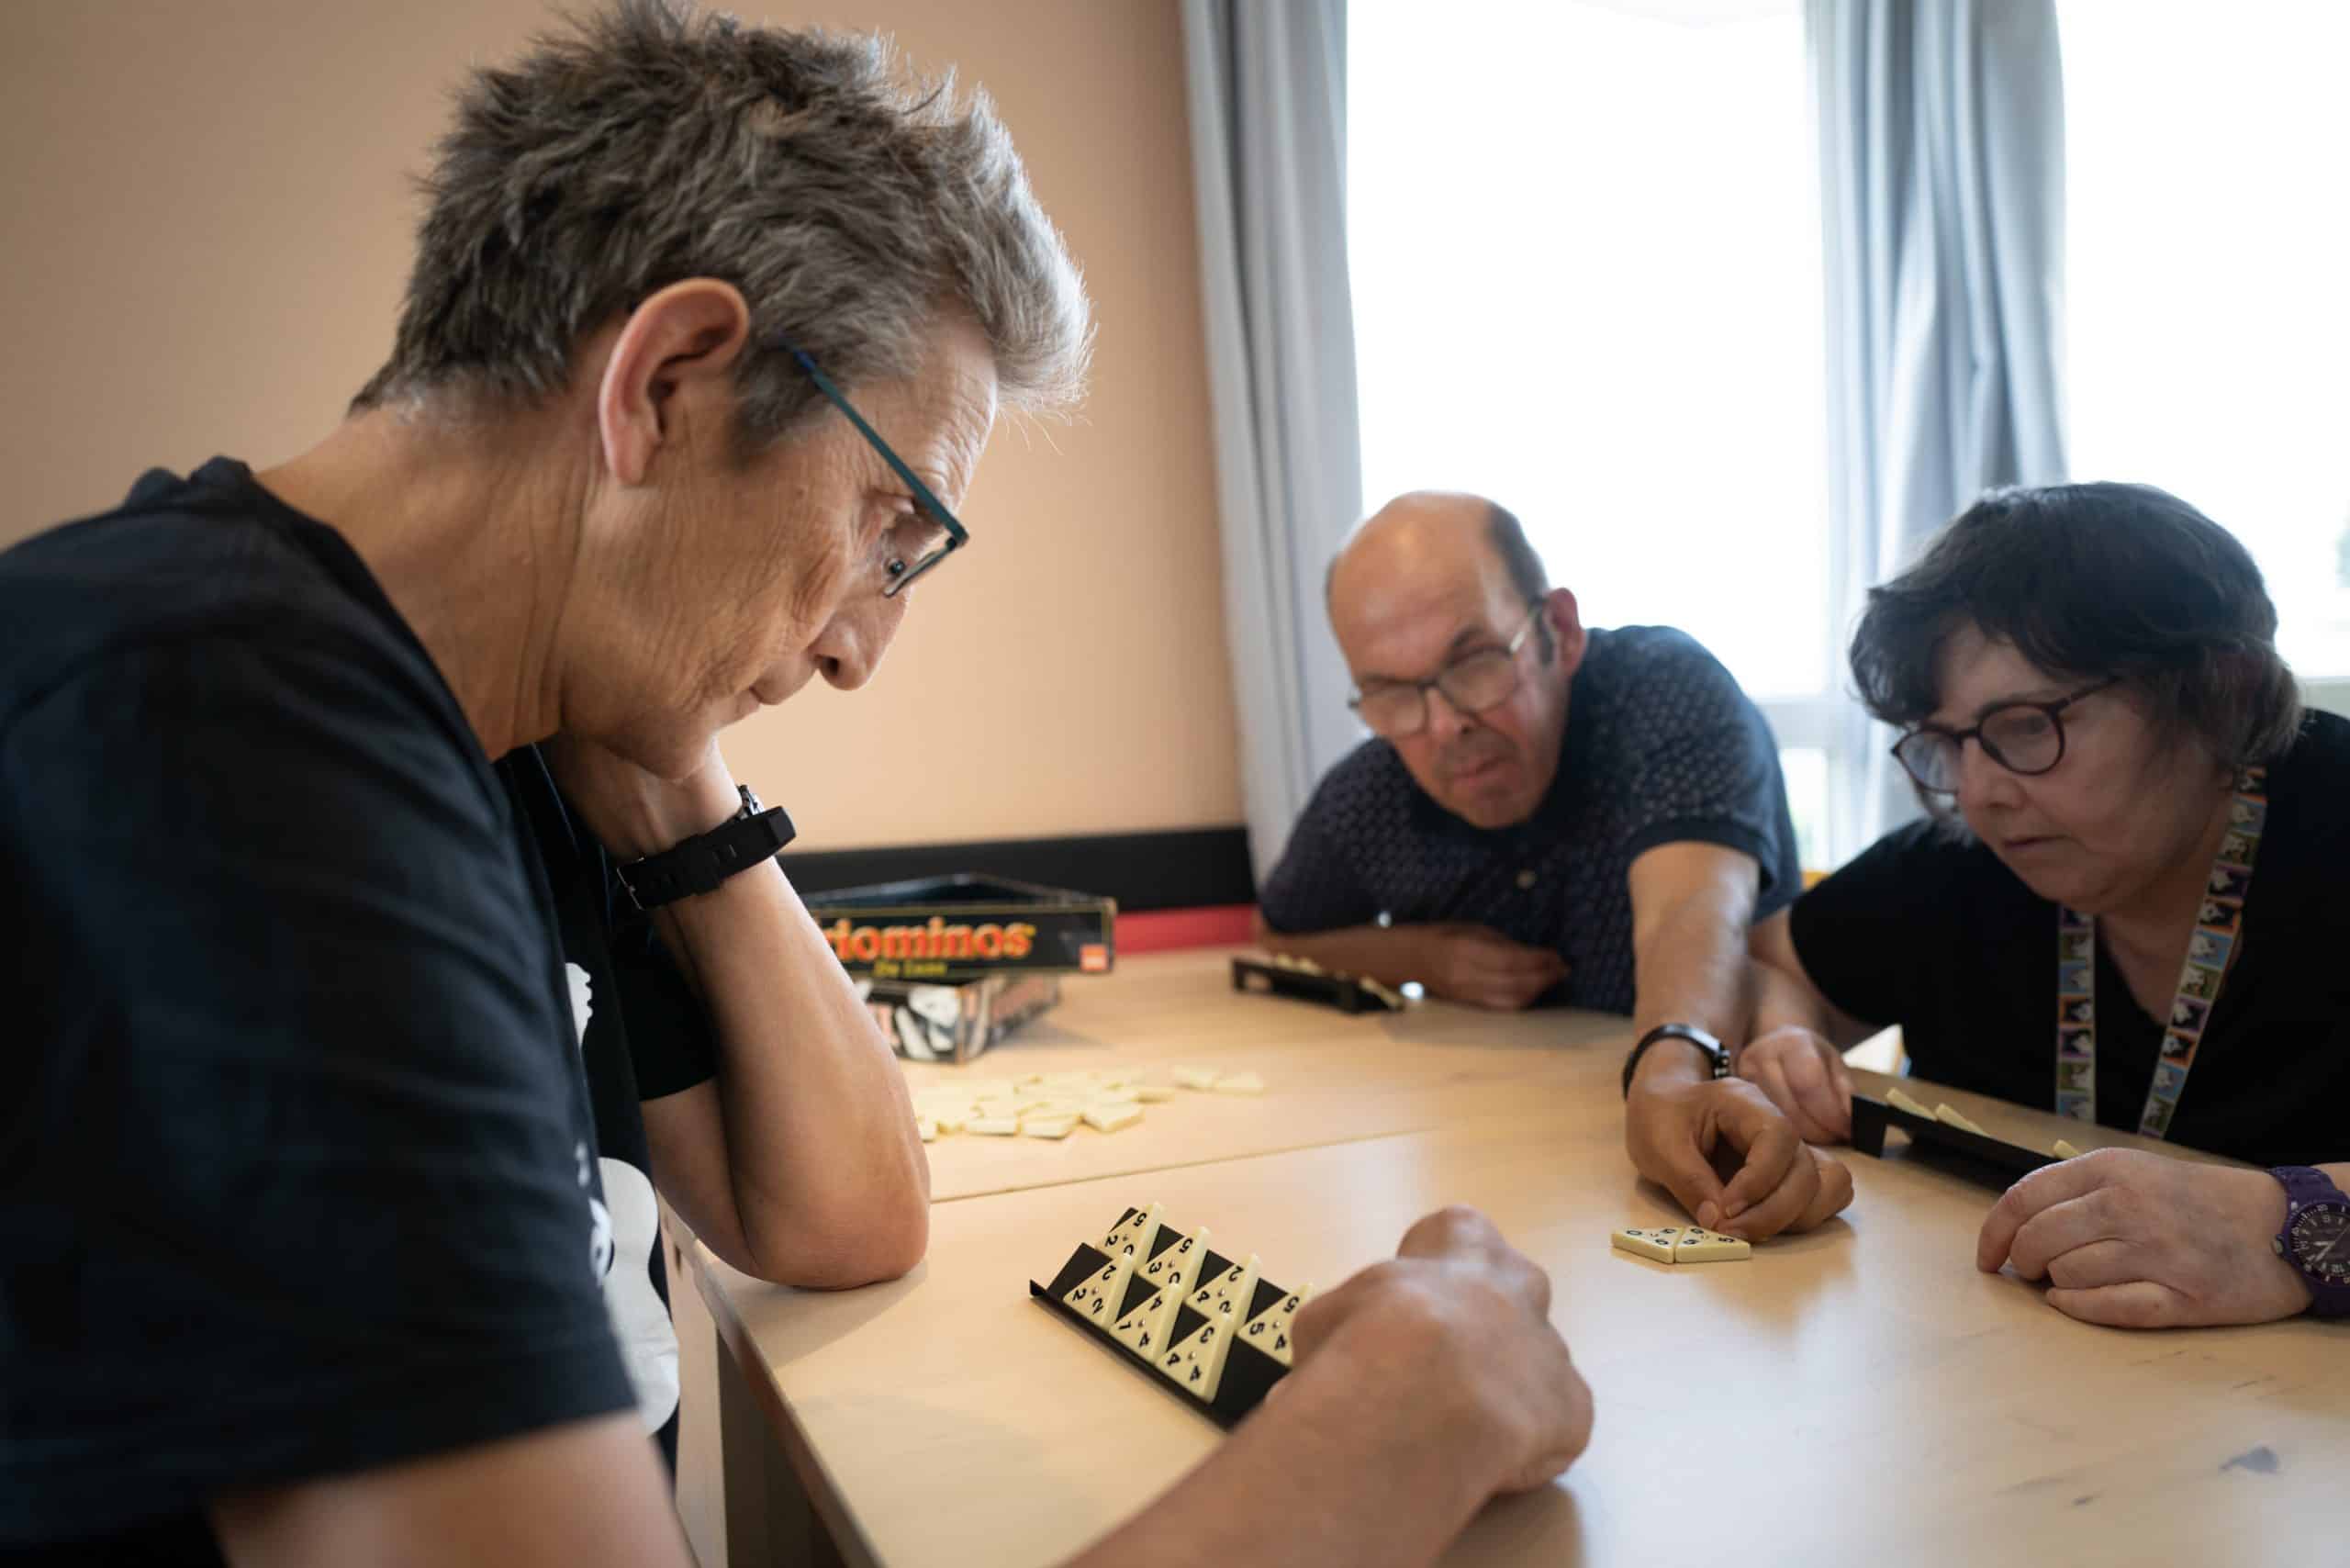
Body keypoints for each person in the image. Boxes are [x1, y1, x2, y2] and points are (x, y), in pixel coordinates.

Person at [0, 5, 1591, 1562]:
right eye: (891, 531)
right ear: (668, 384)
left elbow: (842, 1216)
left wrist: (680, 766)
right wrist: (1398, 1418)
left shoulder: (507, 718)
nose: (858, 653)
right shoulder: (218, 750)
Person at [1729, 482, 2350, 1328]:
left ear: (2217, 697)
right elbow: (1774, 959)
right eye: (1947, 744)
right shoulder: (1963, 863)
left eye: (2026, 726)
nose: (1978, 792)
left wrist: (2289, 1227)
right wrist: (1786, 1040)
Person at [1257, 491, 1852, 1242]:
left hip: (1703, 1144)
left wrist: (1671, 1075)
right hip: (1489, 1167)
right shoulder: (1375, 787)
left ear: (1559, 632)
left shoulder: (1665, 695)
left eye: (1474, 662)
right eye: (1391, 693)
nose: (1444, 725)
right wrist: (1422, 957)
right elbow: (1279, 933)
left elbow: (1694, 911)